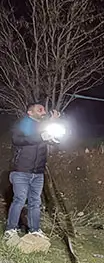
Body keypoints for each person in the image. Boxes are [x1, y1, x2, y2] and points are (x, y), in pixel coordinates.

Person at [7, 102, 62, 245]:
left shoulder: (43, 127)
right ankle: (10, 230)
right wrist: (41, 136)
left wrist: (55, 136)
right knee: (19, 199)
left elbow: (52, 139)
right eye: (40, 109)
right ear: (30, 112)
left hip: (38, 172)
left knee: (35, 202)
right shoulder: (23, 124)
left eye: (44, 109)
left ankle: (35, 230)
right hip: (21, 170)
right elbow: (18, 140)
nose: (43, 111)